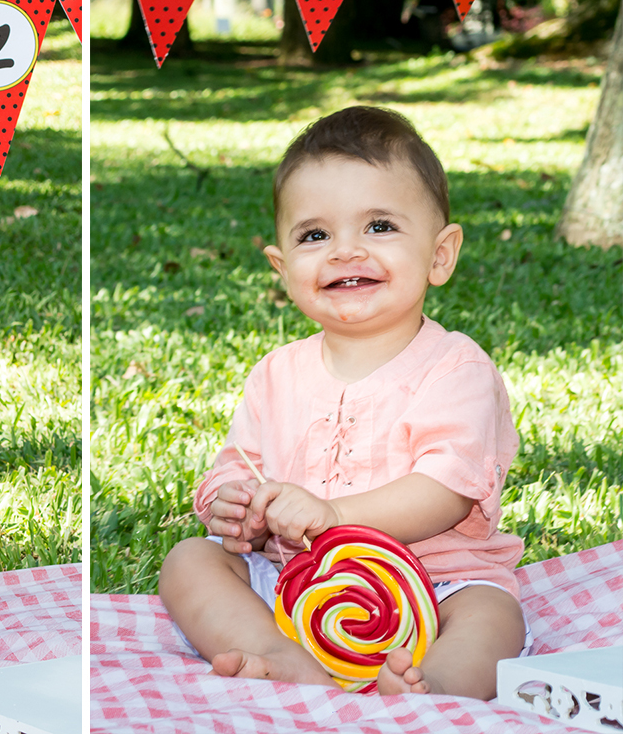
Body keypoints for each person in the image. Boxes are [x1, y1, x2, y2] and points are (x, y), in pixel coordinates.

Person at [158, 107, 530, 699]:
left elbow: (447, 490)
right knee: (188, 562)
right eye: (315, 235)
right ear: (283, 268)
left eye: (379, 226)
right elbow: (240, 462)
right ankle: (282, 655)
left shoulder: (456, 368)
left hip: (437, 584)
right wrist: (230, 504)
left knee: (493, 615)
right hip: (297, 585)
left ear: (440, 255)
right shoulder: (277, 374)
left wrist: (332, 516)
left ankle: (428, 689)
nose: (345, 251)